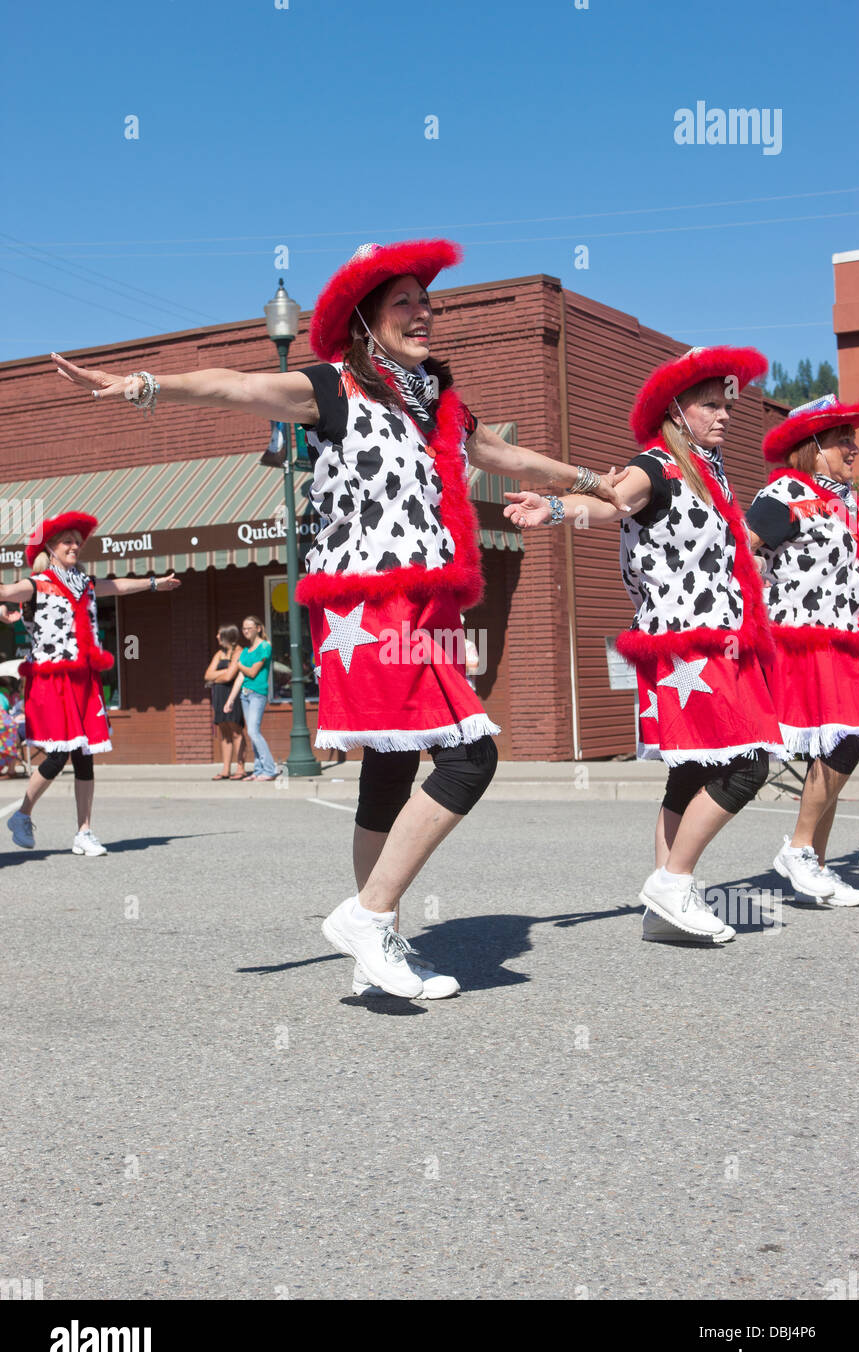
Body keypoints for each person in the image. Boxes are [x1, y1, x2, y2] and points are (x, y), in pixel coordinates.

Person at [49, 237, 626, 996]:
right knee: (469, 756)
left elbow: (503, 457)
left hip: (425, 602)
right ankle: (370, 916)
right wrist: (146, 384)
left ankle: (372, 942)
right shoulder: (331, 389)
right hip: (367, 605)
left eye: (427, 301)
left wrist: (595, 481)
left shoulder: (438, 404)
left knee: (389, 768)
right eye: (404, 303)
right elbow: (234, 387)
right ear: (365, 318)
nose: (423, 314)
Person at [506, 345, 786, 945]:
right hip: (686, 644)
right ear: (677, 409)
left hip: (721, 639)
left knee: (691, 772)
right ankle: (674, 880)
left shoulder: (711, 473)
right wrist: (556, 506)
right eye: (710, 405)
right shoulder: (656, 465)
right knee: (748, 764)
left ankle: (667, 900)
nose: (724, 415)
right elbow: (615, 502)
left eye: (727, 404)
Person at [0, 512, 180, 854]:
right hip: (53, 680)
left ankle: (84, 831)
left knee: (85, 756)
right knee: (57, 754)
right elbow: (7, 591)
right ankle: (22, 814)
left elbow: (120, 586)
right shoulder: (37, 584)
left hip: (85, 678)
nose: (74, 546)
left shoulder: (85, 584)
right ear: (51, 548)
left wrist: (155, 583)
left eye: (76, 542)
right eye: (67, 541)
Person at [746, 395, 859, 907]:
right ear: (811, 448)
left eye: (852, 438)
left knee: (836, 747)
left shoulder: (844, 499)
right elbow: (742, 546)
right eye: (842, 439)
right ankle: (798, 850)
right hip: (809, 637)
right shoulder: (787, 492)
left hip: (847, 635)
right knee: (845, 743)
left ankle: (813, 864)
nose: (853, 447)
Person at [224, 616, 277, 781]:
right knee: (252, 732)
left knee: (254, 731)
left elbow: (253, 672)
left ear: (258, 628)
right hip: (244, 695)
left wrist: (237, 664)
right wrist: (230, 700)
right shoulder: (246, 652)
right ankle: (259, 770)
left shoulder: (265, 647)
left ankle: (269, 769)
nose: (246, 631)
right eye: (244, 628)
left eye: (249, 628)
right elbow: (240, 677)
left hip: (258, 694)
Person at [204, 624, 247, 780]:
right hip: (219, 695)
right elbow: (207, 675)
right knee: (224, 732)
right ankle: (225, 769)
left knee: (236, 730)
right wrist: (224, 672)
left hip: (233, 695)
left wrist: (218, 676)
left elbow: (230, 677)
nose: (216, 637)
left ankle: (240, 768)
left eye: (219, 634)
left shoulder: (239, 652)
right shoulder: (219, 654)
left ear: (227, 636)